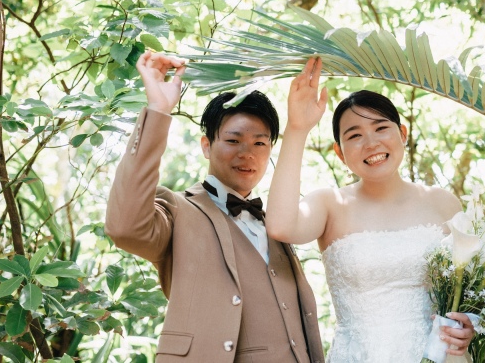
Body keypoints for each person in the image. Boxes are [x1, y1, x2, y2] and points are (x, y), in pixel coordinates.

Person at [105, 51, 324, 363]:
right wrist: (158, 109)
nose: (247, 154)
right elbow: (124, 227)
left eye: (259, 143)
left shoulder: (278, 221)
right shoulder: (178, 210)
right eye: (233, 141)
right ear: (206, 145)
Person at [266, 57, 475, 362]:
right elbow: (281, 226)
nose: (371, 143)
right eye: (354, 135)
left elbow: (471, 295)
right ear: (339, 152)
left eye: (381, 128)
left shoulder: (443, 202)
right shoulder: (329, 204)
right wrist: (298, 128)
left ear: (402, 134)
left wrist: (470, 326)